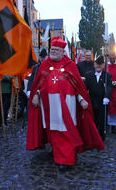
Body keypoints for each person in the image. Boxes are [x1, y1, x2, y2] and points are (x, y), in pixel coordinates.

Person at [26, 36, 104, 171]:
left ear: (63, 52)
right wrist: (35, 95)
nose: (53, 51)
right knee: (53, 131)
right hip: (49, 104)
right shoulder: (45, 64)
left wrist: (81, 99)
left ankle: (66, 159)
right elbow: (39, 82)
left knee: (66, 131)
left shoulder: (71, 66)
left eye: (57, 49)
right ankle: (57, 152)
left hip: (67, 105)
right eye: (52, 49)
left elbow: (77, 86)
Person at [84, 56, 113, 140]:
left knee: (102, 120)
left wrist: (107, 97)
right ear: (94, 64)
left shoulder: (107, 75)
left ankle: (101, 137)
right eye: (97, 64)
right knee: (93, 120)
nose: (98, 66)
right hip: (92, 101)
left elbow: (109, 87)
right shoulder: (89, 75)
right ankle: (93, 137)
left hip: (103, 102)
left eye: (100, 64)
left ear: (103, 65)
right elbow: (86, 88)